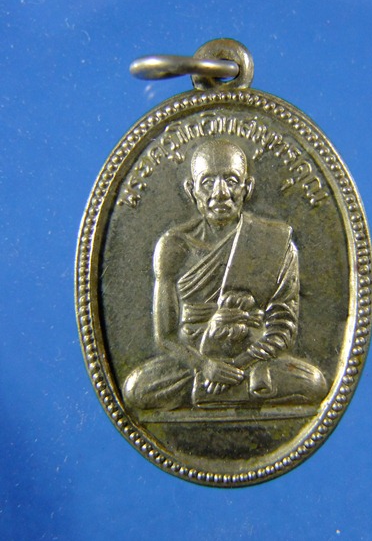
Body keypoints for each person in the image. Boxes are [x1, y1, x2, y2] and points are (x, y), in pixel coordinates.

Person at [123, 138, 327, 410]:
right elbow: (166, 336)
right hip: (195, 361)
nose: (220, 193)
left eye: (231, 181)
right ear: (192, 189)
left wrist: (238, 365)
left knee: (314, 383)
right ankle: (238, 389)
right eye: (208, 182)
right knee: (136, 388)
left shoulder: (275, 242)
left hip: (252, 359)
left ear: (247, 187)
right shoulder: (174, 246)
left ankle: (219, 389)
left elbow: (283, 327)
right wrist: (205, 365)